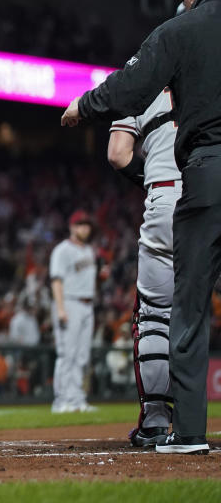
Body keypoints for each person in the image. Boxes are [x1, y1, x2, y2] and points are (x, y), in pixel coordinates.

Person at [61, 0, 221, 454]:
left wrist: (84, 107)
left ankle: (161, 421)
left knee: (166, 312)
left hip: (179, 193)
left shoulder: (167, 50)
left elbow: (116, 152)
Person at [107, 77, 181, 448]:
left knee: (155, 316)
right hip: (212, 194)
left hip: (165, 195)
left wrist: (153, 177)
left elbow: (118, 153)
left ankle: (155, 420)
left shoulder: (142, 84)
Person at [48, 211, 98, 414]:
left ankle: (78, 399)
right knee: (66, 354)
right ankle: (61, 401)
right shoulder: (62, 250)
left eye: (86, 225)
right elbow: (56, 280)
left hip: (87, 304)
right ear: (72, 227)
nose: (84, 228)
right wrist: (60, 308)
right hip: (69, 302)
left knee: (82, 356)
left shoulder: (89, 251)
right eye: (80, 225)